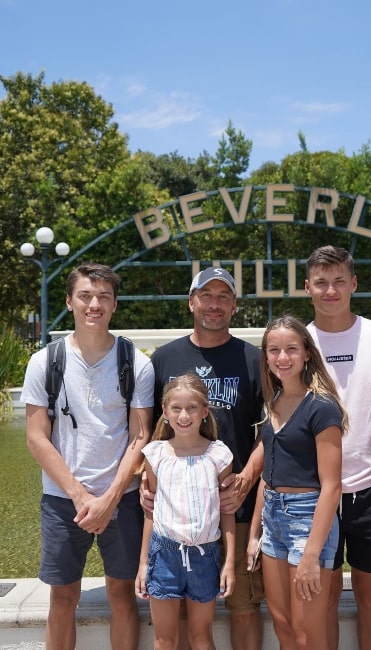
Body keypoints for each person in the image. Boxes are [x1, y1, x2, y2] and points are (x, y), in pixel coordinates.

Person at [21, 262, 155, 650]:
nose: (94, 304)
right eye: (85, 296)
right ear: (69, 302)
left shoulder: (136, 363)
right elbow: (36, 438)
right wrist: (81, 497)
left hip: (123, 499)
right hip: (64, 501)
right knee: (62, 598)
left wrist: (110, 498)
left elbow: (140, 436)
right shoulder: (45, 362)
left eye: (103, 297)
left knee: (122, 595)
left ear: (114, 305)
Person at [147, 266, 265, 650]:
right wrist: (143, 486)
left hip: (236, 508)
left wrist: (247, 477)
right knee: (180, 619)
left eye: (223, 296)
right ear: (191, 301)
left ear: (233, 305)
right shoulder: (164, 358)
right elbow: (148, 433)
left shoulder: (254, 359)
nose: (214, 304)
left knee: (243, 605)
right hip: (179, 519)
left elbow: (272, 430)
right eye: (206, 295)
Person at [304, 245, 371, 650]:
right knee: (324, 595)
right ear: (308, 287)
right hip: (315, 491)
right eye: (321, 283)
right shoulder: (298, 343)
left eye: (339, 281)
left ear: (353, 283)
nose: (330, 290)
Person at [247, 314, 346, 650]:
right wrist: (255, 534)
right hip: (273, 519)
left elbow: (332, 486)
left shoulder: (321, 407)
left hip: (308, 520)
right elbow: (267, 476)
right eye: (273, 350)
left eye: (291, 348)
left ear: (306, 353)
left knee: (308, 635)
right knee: (284, 626)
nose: (282, 357)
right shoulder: (274, 402)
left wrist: (311, 556)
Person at [135, 373, 236, 650]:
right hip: (164, 555)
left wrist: (228, 563)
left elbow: (227, 511)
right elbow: (150, 512)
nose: (184, 415)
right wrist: (144, 564)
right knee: (165, 639)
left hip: (205, 556)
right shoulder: (155, 454)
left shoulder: (218, 455)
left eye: (191, 408)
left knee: (201, 637)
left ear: (205, 411)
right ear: (165, 412)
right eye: (176, 408)